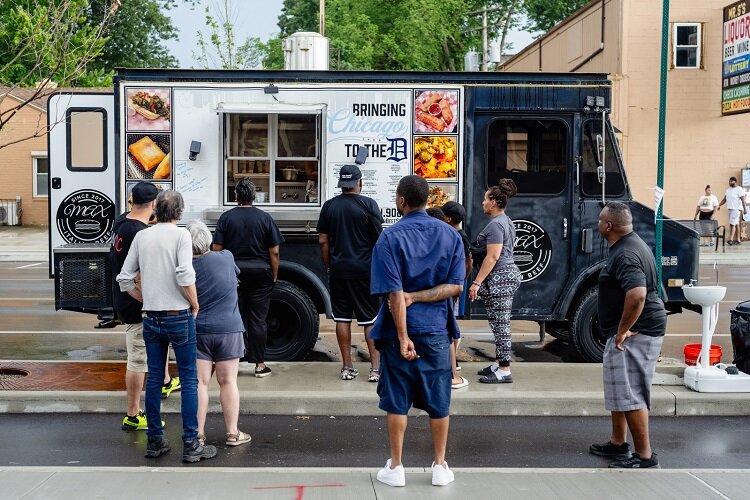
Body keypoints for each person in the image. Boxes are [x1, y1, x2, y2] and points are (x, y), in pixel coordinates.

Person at [370, 175, 465, 488]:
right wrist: (423, 296)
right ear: (429, 200)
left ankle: (396, 467)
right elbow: (455, 286)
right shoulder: (450, 236)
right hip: (437, 330)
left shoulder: (389, 238)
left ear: (400, 201)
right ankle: (439, 465)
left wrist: (402, 337)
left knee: (396, 399)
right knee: (439, 400)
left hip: (401, 332)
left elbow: (394, 293)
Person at [117, 190, 217, 463]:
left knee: (153, 379)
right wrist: (194, 304)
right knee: (188, 380)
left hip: (150, 317)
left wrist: (144, 298)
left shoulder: (142, 236)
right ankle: (190, 443)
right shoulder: (182, 236)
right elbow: (185, 274)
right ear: (179, 213)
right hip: (179, 315)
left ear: (156, 209)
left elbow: (124, 278)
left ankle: (155, 441)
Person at [589, 201, 666, 469]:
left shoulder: (625, 254)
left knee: (631, 393)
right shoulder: (632, 244)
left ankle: (645, 456)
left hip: (637, 332)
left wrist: (622, 331)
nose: (597, 224)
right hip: (635, 329)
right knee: (620, 390)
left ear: (608, 226)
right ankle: (617, 444)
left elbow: (638, 294)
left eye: (600, 220)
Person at [111, 182, 180, 432]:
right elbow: (137, 274)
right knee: (138, 359)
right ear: (153, 204)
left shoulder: (122, 222)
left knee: (156, 345)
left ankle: (163, 381)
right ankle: (132, 413)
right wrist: (149, 298)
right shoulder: (138, 233)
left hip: (124, 300)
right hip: (134, 303)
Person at [187, 221, 251, 448]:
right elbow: (235, 281)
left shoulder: (186, 266)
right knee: (228, 381)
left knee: (200, 384)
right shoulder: (226, 257)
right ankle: (233, 433)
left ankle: (198, 434)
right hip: (229, 329)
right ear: (209, 240)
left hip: (198, 330)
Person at [317, 165, 383, 381]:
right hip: (365, 271)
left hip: (339, 271)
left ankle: (347, 367)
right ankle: (375, 369)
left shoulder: (329, 207)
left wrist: (329, 265)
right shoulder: (368, 205)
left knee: (342, 318)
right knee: (370, 319)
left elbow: (323, 241)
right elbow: (378, 241)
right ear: (359, 182)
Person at [214, 178, 284, 377]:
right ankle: (260, 365)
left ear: (236, 196)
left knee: (234, 317)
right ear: (254, 197)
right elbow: (274, 252)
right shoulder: (265, 218)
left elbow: (217, 249)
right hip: (261, 273)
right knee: (258, 319)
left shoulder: (226, 218)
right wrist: (274, 274)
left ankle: (233, 362)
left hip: (232, 273)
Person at [468, 179, 521, 384]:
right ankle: (499, 363)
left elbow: (493, 256)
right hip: (504, 276)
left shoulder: (497, 225)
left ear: (494, 202)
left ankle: (505, 370)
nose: (483, 203)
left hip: (501, 276)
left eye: (485, 199)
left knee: (501, 324)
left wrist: (476, 283)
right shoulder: (505, 221)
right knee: (497, 321)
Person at [441, 201, 472, 389]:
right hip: (455, 285)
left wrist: (459, 282)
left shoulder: (458, 237)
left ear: (448, 219)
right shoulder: (460, 235)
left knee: (451, 325)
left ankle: (453, 365)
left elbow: (468, 262)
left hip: (453, 286)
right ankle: (453, 363)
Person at [718, 176, 747, 245]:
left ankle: (730, 239)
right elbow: (725, 199)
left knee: (732, 224)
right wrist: (719, 205)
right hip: (730, 209)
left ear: (735, 181)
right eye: (729, 181)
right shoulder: (728, 190)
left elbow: (743, 199)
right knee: (736, 224)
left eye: (731, 181)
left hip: (736, 209)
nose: (729, 182)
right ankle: (738, 240)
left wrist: (745, 209)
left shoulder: (739, 189)